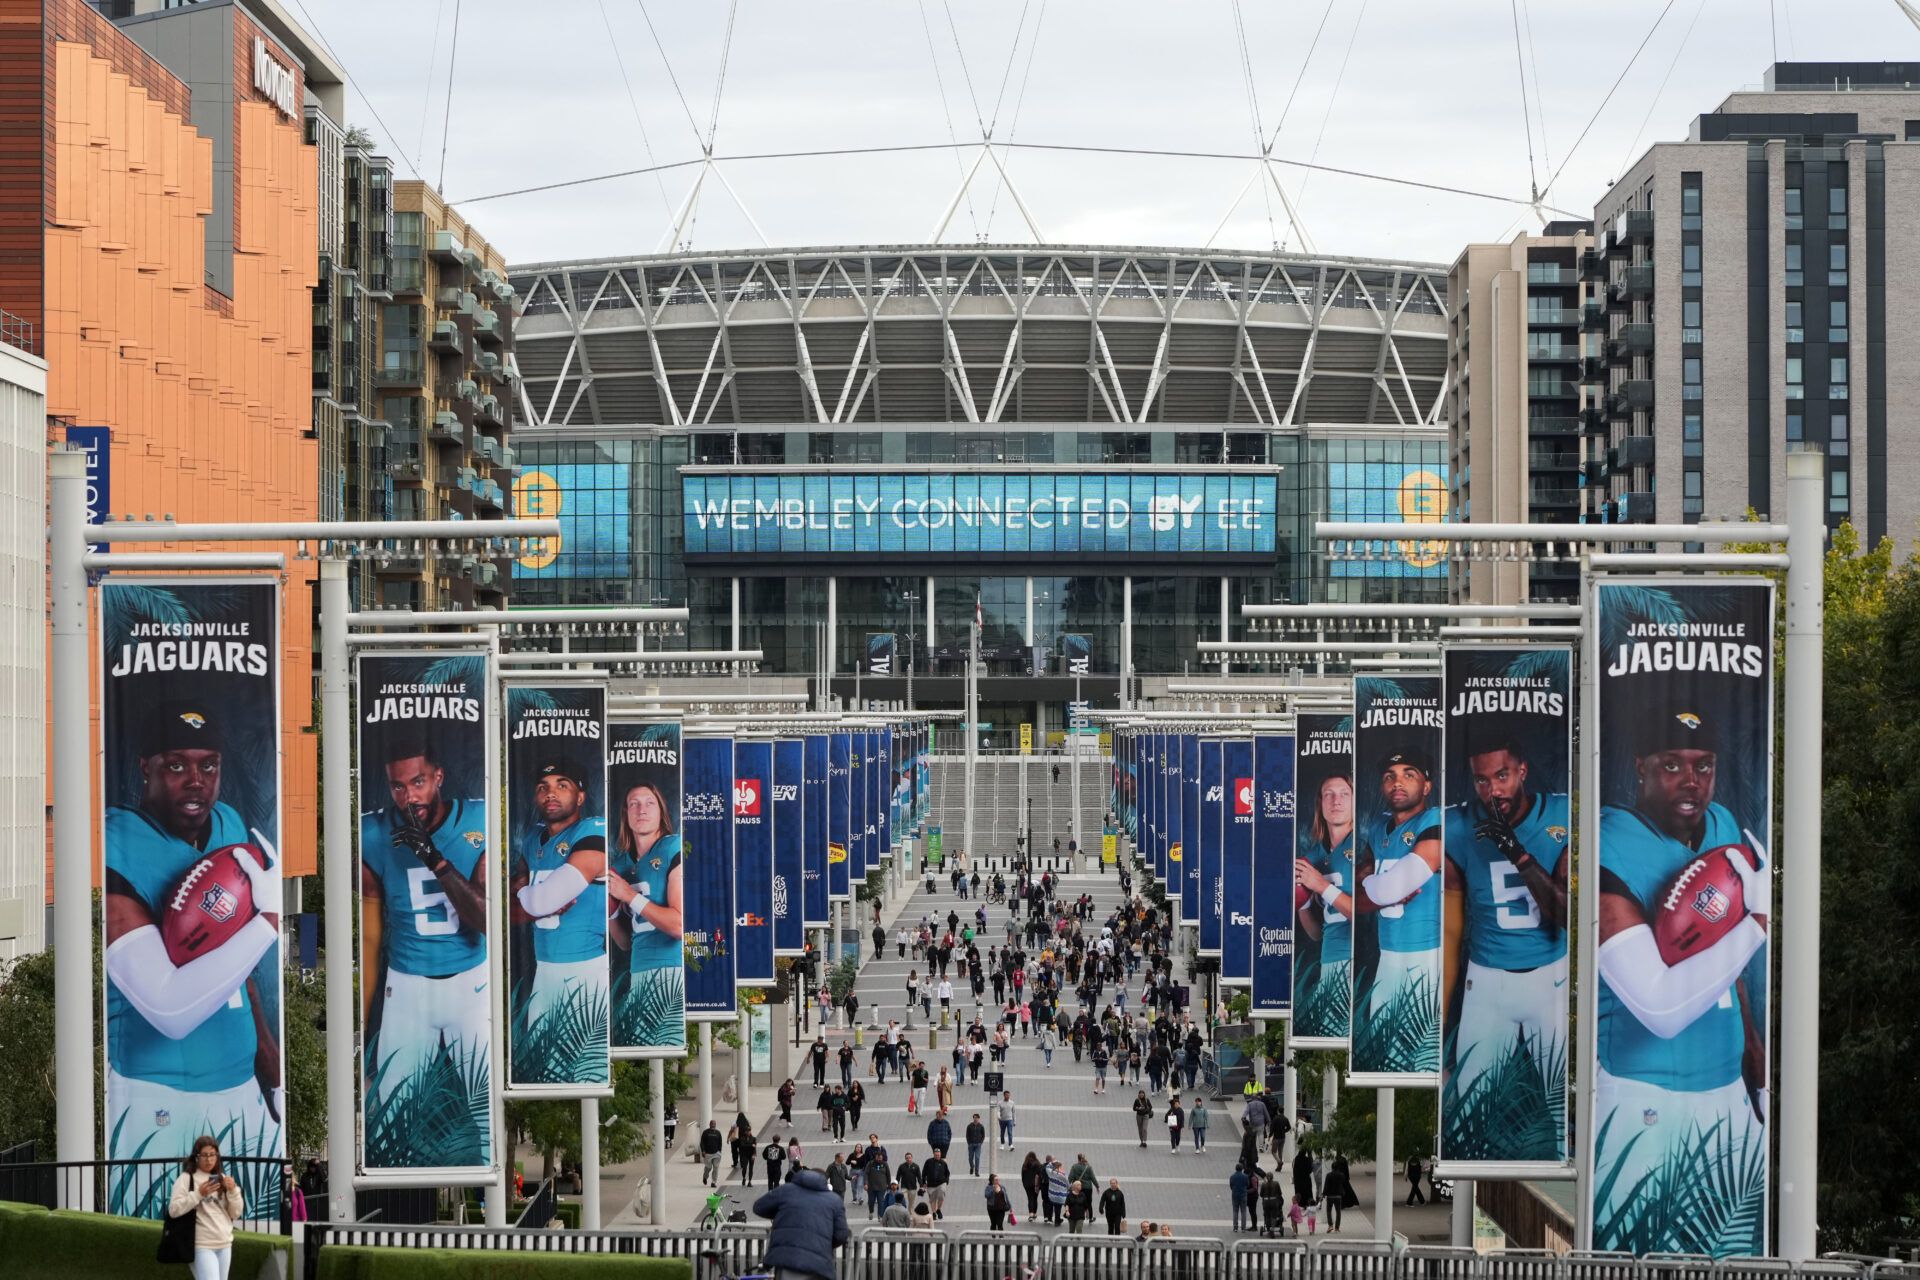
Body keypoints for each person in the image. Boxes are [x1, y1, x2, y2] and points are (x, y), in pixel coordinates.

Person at [1593, 706, 1770, 1255]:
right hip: (1644, 1099)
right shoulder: (1610, 847)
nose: (1691, 780)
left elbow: (1731, 973)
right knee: (1642, 1256)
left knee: (1737, 1256)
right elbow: (1660, 1009)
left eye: (1703, 765)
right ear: (1641, 766)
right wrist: (1756, 924)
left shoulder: (1724, 826)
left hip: (1728, 1094)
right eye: (1672, 765)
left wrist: (1754, 1057)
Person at [105, 706, 283, 1217]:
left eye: (209, 766)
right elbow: (170, 1010)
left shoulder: (227, 823)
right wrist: (267, 923)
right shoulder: (117, 843)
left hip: (242, 1088)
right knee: (159, 1244)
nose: (197, 782)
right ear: (145, 766)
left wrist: (266, 1054)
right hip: (159, 1096)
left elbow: (234, 966)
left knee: (256, 1245)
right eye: (177, 765)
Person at [1442, 730, 1571, 1118]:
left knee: (1561, 1106)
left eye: (1502, 776)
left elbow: (1566, 912)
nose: (1492, 790)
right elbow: (1451, 927)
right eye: (1482, 780)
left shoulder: (1560, 815)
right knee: (1468, 1110)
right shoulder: (1458, 825)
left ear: (1523, 771)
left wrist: (1515, 851)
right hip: (1486, 980)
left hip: (1552, 975)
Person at [508, 757, 609, 1054]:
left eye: (561, 786)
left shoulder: (592, 831)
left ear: (580, 796)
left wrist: (529, 896)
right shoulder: (532, 840)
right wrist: (531, 898)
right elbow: (514, 900)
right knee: (544, 1067)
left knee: (582, 1063)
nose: (550, 793)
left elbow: (544, 900)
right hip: (544, 970)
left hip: (584, 970)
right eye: (543, 787)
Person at [605, 778, 686, 1047]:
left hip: (670, 972)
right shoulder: (621, 863)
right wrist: (611, 911)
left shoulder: (673, 847)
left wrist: (629, 895)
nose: (642, 810)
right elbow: (625, 942)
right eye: (634, 804)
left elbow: (678, 926)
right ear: (626, 814)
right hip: (638, 971)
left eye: (650, 803)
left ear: (661, 812)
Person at [1292, 768, 1356, 1041]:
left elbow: (1363, 914)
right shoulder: (1314, 856)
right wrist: (1302, 903)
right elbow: (1316, 933)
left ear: (1355, 800)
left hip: (1362, 961)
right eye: (1328, 794)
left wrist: (1321, 886)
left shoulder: (1367, 846)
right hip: (1329, 962)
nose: (1336, 801)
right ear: (1319, 803)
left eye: (1344, 793)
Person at [753, 1164, 850, 1280]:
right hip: (819, 1264)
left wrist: (782, 1214)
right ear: (825, 1180)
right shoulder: (834, 1200)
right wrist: (824, 1242)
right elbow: (842, 1234)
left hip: (786, 1259)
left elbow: (759, 1207)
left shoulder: (786, 1190)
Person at [169, 1136, 246, 1280]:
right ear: (196, 1157)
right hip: (201, 1245)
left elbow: (235, 1213)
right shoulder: (187, 1178)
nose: (209, 1159)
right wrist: (198, 1194)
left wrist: (233, 1191)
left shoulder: (221, 1178)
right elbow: (174, 1210)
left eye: (212, 1155)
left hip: (224, 1243)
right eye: (204, 1155)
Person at [1321, 1152, 1357, 1233]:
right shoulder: (1341, 1175)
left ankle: (1330, 1226)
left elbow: (1326, 1186)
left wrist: (1323, 1194)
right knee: (1338, 1212)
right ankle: (1337, 1228)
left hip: (1330, 1196)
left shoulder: (1328, 1175)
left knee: (1328, 1211)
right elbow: (1344, 1183)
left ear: (1332, 1168)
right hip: (1338, 1196)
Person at [922, 1150, 950, 1220]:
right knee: (932, 1200)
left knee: (941, 1197)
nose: (937, 1156)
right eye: (936, 1155)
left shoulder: (943, 1163)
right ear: (933, 1155)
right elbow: (924, 1172)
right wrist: (923, 1182)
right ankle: (934, 1212)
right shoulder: (928, 1162)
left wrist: (946, 1181)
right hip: (931, 1184)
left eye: (938, 1155)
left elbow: (947, 1173)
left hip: (941, 1183)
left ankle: (939, 1209)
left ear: (940, 1155)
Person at [1019, 1153, 1044, 1219]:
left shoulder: (1024, 1165)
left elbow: (1022, 1176)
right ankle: (1035, 1213)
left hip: (1027, 1185)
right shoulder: (1038, 1164)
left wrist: (1024, 1184)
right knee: (1035, 1198)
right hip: (1036, 1185)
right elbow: (1041, 1175)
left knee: (1030, 1199)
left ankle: (1031, 1214)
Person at [1045, 1160, 1070, 1226]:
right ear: (1060, 1166)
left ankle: (1056, 1219)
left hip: (1052, 1194)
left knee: (1053, 1206)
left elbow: (1047, 1166)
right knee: (1058, 1208)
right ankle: (1057, 1221)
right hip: (1060, 1195)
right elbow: (1068, 1185)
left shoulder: (1051, 1173)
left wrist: (1053, 1162)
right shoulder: (1064, 1175)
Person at [700, 1120, 725, 1186]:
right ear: (710, 1124)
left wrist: (719, 1151)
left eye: (714, 1124)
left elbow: (720, 1143)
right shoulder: (705, 1132)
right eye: (712, 1123)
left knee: (716, 1168)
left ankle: (713, 1182)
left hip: (716, 1153)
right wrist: (703, 1151)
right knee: (708, 1168)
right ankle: (705, 1177)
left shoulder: (718, 1133)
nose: (713, 1125)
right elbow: (702, 1143)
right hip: (708, 1153)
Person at [1230, 1164, 1252, 1233]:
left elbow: (1231, 1185)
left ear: (1235, 1168)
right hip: (1243, 1195)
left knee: (1235, 1211)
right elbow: (1247, 1184)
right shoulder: (1245, 1176)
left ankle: (1235, 1227)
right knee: (1243, 1211)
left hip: (1235, 1195)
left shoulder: (1232, 1176)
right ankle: (1243, 1227)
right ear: (1242, 1169)